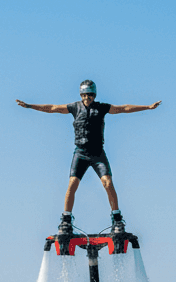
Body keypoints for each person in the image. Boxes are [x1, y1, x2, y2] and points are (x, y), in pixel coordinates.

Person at [16, 80, 160, 236]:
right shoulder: (74, 108)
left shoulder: (102, 108)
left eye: (90, 95)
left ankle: (117, 218)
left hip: (98, 153)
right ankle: (66, 219)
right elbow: (52, 108)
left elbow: (123, 108)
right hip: (80, 153)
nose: (87, 98)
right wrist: (30, 106)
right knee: (72, 184)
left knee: (108, 182)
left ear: (94, 95)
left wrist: (147, 107)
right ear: (81, 95)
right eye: (84, 95)